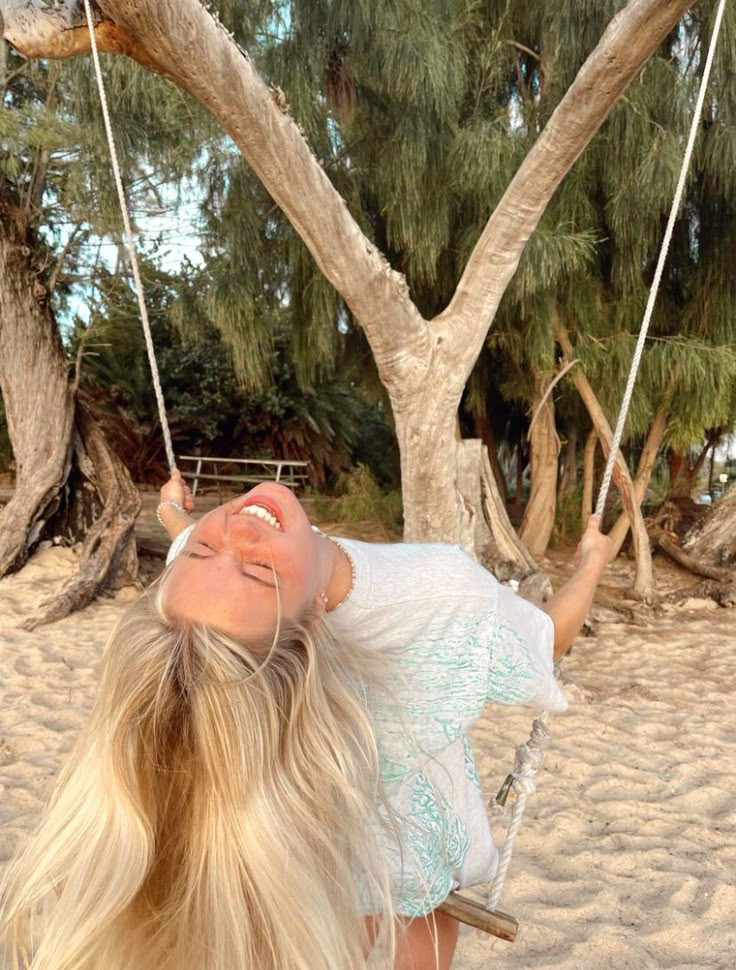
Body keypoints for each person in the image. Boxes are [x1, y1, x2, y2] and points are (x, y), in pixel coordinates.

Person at [0, 470, 610, 970]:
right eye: (258, 570)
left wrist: (171, 516)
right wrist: (589, 566)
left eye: (205, 549)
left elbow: (192, 541)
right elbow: (546, 639)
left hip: (314, 846)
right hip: (397, 836)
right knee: (421, 926)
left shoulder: (204, 587)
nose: (236, 528)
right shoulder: (444, 597)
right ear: (311, 623)